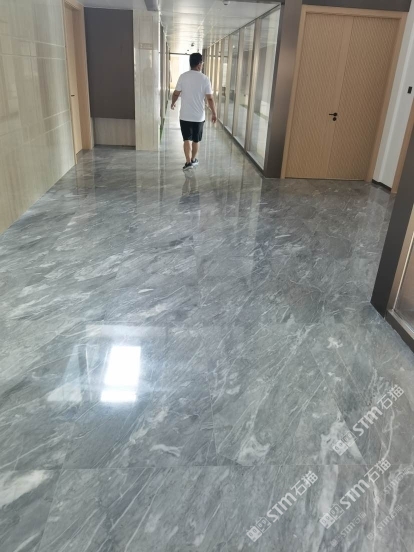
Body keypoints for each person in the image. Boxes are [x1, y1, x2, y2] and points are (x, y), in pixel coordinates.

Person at [171, 52, 217, 171]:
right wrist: (214, 113)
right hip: (198, 117)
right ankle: (193, 160)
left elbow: (176, 93)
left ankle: (188, 162)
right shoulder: (205, 79)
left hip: (185, 115)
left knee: (186, 139)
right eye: (202, 63)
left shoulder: (183, 76)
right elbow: (210, 98)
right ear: (199, 64)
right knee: (196, 140)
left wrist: (173, 102)